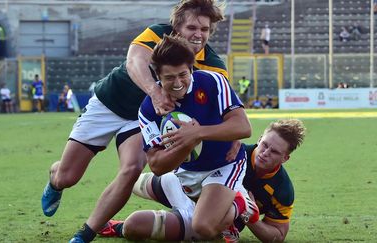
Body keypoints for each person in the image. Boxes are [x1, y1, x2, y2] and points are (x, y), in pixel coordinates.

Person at [40, 1, 229, 242]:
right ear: (176, 26)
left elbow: (221, 108)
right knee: (67, 177)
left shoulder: (214, 66)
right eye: (192, 27)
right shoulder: (157, 33)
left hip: (142, 117)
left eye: (204, 29)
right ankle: (54, 181)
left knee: (131, 169)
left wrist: (228, 140)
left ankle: (85, 234)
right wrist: (154, 90)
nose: (198, 34)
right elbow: (134, 62)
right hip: (110, 102)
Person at [120, 35, 253, 241]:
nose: (177, 83)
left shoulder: (213, 82)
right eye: (169, 77)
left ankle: (240, 201)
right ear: (158, 76)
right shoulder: (148, 109)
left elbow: (243, 127)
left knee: (203, 228)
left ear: (191, 68)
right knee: (135, 215)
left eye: (183, 74)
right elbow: (156, 165)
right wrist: (186, 143)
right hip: (186, 173)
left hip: (225, 164)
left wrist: (197, 132)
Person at [100, 119, 306, 243]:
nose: (265, 153)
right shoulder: (234, 152)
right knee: (135, 183)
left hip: (202, 220)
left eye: (275, 151)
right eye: (265, 145)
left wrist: (251, 220)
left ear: (285, 158)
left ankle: (117, 227)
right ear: (260, 138)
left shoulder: (282, 189)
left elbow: (277, 236)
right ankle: (236, 202)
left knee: (134, 226)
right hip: (189, 189)